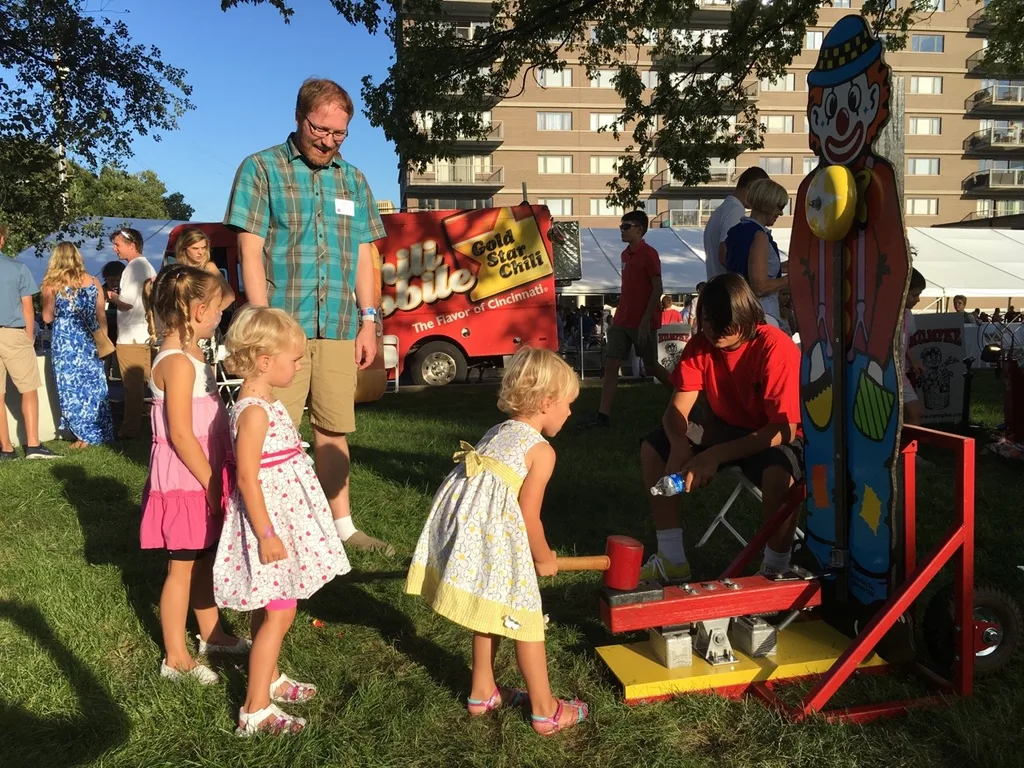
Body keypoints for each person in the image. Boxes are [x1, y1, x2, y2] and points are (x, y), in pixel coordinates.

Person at [225, 77, 392, 555]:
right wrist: (263, 326)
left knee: (334, 426)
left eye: (339, 134)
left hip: (340, 324)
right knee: (270, 428)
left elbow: (363, 257)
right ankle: (264, 526)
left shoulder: (354, 180)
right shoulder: (260, 169)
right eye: (321, 129)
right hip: (283, 329)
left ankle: (341, 528)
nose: (329, 141)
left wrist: (368, 321)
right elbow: (249, 251)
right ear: (299, 118)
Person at [406, 347, 587, 734]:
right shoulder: (541, 451)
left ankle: (482, 690)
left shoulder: (498, 431)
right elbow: (529, 514)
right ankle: (545, 710)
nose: (570, 413)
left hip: (475, 534)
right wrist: (544, 557)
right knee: (525, 619)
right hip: (496, 537)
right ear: (546, 402)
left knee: (490, 606)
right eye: (568, 405)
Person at [215, 305, 350, 736]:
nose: (298, 366)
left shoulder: (265, 403)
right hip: (270, 522)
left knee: (271, 604)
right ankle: (255, 709)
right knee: (280, 612)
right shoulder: (254, 411)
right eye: (294, 360)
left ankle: (268, 674)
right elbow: (246, 478)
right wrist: (267, 534)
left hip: (284, 516)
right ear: (263, 361)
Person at [639, 275, 804, 581]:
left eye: (723, 324)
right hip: (724, 429)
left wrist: (714, 455)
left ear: (746, 317)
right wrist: (678, 444)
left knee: (779, 473)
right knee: (653, 448)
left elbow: (784, 429)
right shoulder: (702, 345)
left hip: (771, 435)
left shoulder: (775, 347)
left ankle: (776, 568)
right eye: (707, 321)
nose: (713, 332)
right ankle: (671, 557)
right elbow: (676, 409)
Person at [140, 265, 248, 684]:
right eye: (220, 310)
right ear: (198, 310)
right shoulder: (178, 363)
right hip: (188, 479)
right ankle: (175, 656)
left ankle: (212, 634)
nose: (222, 316)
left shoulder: (195, 355)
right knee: (182, 565)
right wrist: (210, 484)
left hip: (203, 471)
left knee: (205, 558)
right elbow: (182, 435)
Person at [589, 210, 673, 426]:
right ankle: (602, 415)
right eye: (621, 226)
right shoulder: (625, 254)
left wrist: (646, 320)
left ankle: (683, 396)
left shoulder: (649, 254)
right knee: (611, 363)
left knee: (651, 365)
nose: (622, 230)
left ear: (640, 229)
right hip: (622, 319)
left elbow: (658, 289)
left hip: (642, 320)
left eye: (626, 226)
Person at [40, 243, 114, 448]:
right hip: (90, 340)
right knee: (93, 387)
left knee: (70, 387)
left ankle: (83, 434)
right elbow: (101, 316)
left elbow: (47, 316)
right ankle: (96, 431)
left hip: (66, 342)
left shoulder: (52, 284)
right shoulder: (93, 281)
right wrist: (103, 342)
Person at [0, 224, 57, 460]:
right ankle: (33, 444)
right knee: (29, 388)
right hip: (13, 333)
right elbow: (27, 307)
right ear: (2, 239)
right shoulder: (18, 268)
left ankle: (5, 448)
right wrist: (29, 336)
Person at [108, 227, 157, 439]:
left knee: (132, 387)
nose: (114, 248)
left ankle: (130, 429)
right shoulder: (147, 267)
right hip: (145, 333)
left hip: (131, 336)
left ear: (132, 245)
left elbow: (127, 303)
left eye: (118, 244)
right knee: (149, 385)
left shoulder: (133, 268)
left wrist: (112, 297)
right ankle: (150, 425)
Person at [723, 179, 790, 324]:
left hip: (740, 310)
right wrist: (791, 278)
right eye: (780, 206)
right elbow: (760, 287)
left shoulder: (735, 232)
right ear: (768, 203)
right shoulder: (760, 236)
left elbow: (738, 263)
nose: (781, 212)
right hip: (763, 313)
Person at [702, 167, 769, 282]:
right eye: (761, 193)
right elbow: (725, 256)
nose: (761, 199)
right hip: (729, 291)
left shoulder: (722, 209)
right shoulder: (735, 211)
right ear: (752, 187)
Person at [902, 269, 926, 426]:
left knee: (914, 411)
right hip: (885, 372)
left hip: (900, 374)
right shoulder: (885, 314)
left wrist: (913, 360)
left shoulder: (908, 315)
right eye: (914, 295)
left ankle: (908, 449)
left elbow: (904, 343)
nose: (917, 299)